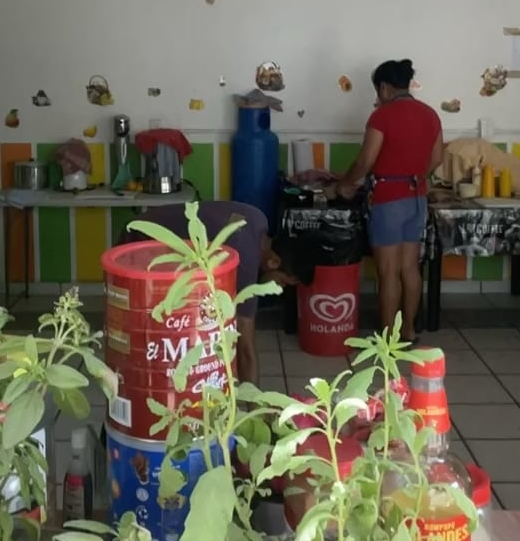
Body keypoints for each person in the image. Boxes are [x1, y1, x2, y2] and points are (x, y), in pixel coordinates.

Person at [126, 199, 312, 383]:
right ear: (273, 262)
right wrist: (255, 400)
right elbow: (245, 351)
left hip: (148, 228)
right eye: (282, 282)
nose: (278, 288)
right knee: (150, 334)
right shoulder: (245, 261)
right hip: (139, 243)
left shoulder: (259, 220)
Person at [335, 59, 443, 340]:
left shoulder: (382, 116)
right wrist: (416, 176)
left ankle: (387, 337)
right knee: (410, 268)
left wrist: (344, 184)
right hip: (417, 198)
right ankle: (408, 331)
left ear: (384, 87)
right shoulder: (430, 115)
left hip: (388, 199)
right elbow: (437, 158)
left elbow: (365, 161)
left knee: (388, 271)